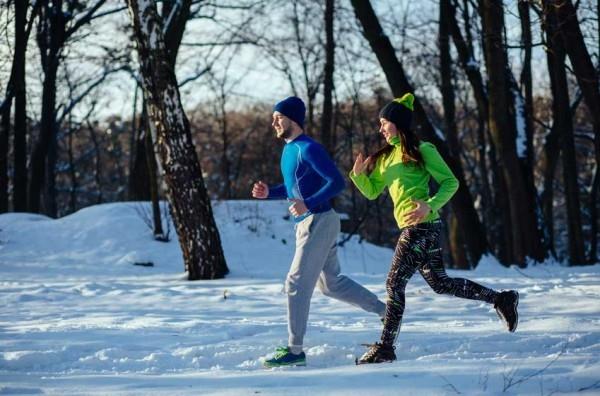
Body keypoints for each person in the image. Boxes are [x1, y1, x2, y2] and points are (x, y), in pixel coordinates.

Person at [349, 93, 519, 365]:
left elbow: (451, 183)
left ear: (398, 123)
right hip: (415, 227)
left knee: (394, 283)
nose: (380, 128)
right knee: (440, 284)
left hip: (422, 227)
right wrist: (358, 176)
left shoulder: (422, 149)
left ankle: (385, 347)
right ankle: (502, 299)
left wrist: (429, 205)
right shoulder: (385, 158)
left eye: (384, 122)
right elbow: (372, 192)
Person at [252, 96, 386, 368]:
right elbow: (296, 188)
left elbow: (337, 182)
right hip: (311, 221)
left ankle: (295, 350)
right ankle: (386, 312)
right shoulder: (289, 149)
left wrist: (308, 204)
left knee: (295, 283)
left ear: (293, 119)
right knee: (331, 284)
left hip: (319, 220)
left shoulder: (309, 148)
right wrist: (270, 193)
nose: (274, 122)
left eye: (279, 117)